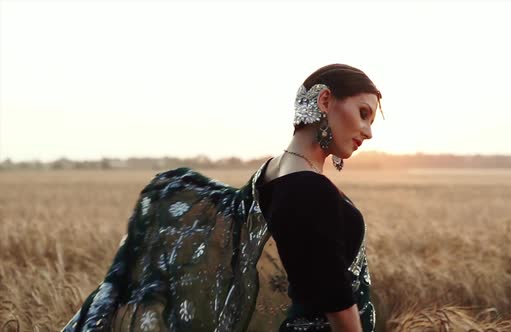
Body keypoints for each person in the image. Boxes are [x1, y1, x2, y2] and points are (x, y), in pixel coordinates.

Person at [61, 63, 382, 332]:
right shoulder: (309, 189)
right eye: (363, 113)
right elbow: (337, 306)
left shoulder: (272, 173)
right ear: (325, 100)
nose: (368, 131)